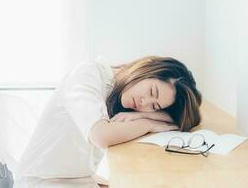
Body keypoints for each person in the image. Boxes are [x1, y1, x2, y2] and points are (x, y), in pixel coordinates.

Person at [14, 55, 202, 188]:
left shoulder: (119, 95)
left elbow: (180, 122)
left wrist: (144, 115)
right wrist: (149, 123)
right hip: (43, 182)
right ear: (147, 68)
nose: (144, 103)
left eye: (154, 107)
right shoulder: (88, 74)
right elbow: (100, 136)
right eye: (152, 92)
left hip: (77, 178)